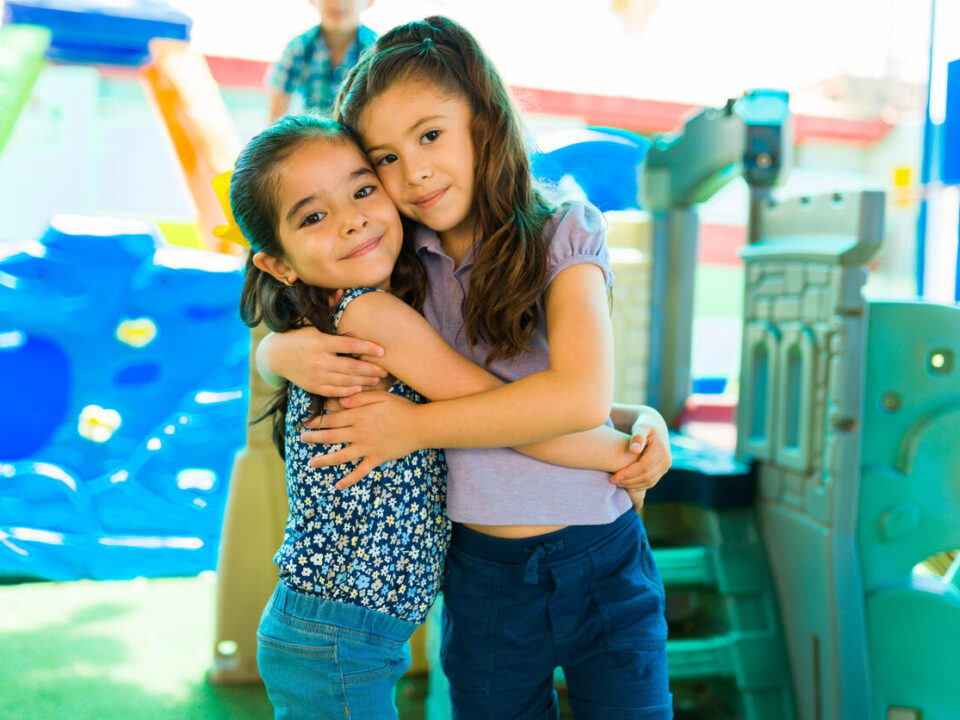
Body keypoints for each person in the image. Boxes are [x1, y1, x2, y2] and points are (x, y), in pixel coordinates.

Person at [259, 16, 675, 719]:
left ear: (484, 120)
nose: (413, 172)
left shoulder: (563, 231)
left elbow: (575, 396)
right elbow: (290, 291)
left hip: (602, 553)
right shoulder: (396, 256)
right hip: (483, 571)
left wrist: (416, 428)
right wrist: (276, 353)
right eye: (383, 159)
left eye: (430, 135)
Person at [266, 0, 377, 122]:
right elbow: (275, 118)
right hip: (312, 136)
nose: (338, 3)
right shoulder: (298, 48)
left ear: (370, 2)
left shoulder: (376, 51)